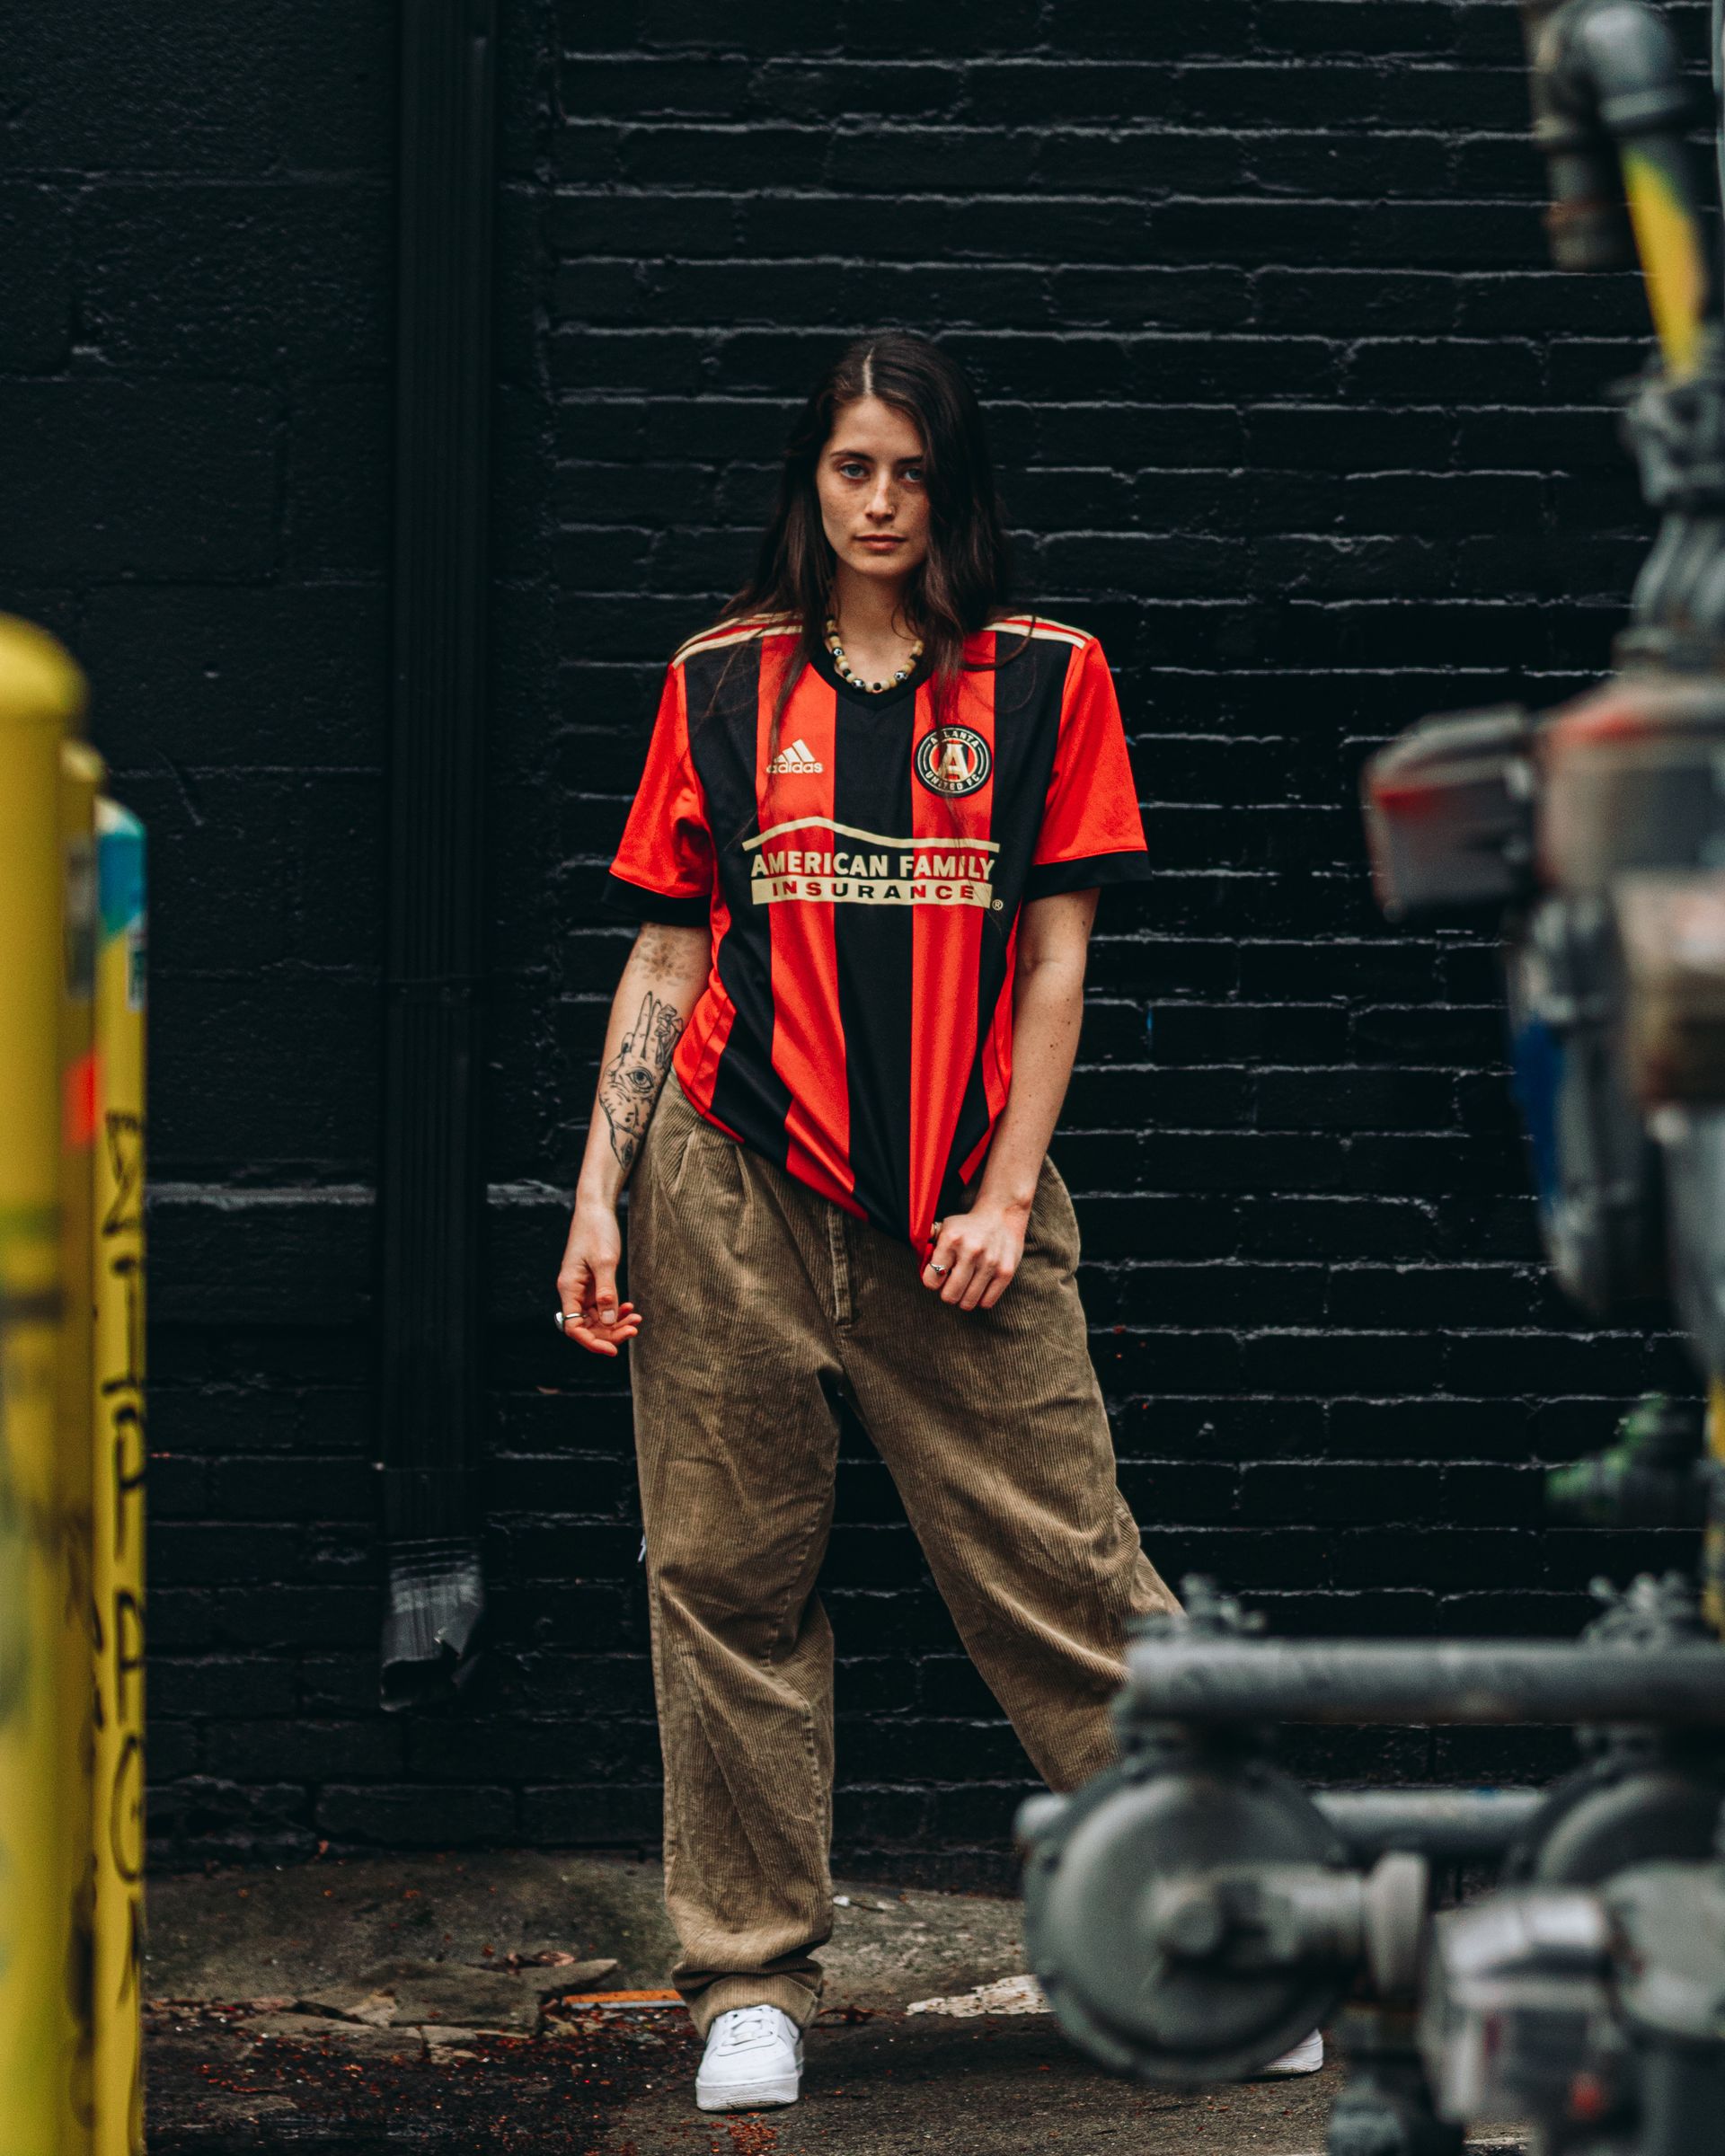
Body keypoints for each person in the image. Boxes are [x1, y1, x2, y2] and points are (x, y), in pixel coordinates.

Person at [557, 331, 1200, 2112]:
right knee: (724, 1583)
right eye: (854, 467)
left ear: (952, 487)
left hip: (958, 1216)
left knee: (1072, 1577)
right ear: (812, 481)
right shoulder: (719, 680)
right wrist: (600, 1195)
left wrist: (1004, 1192)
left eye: (913, 471)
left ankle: (1221, 1935)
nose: (882, 502)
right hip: (729, 1192)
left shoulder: (1047, 677)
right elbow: (669, 953)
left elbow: (1058, 964)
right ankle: (750, 1980)